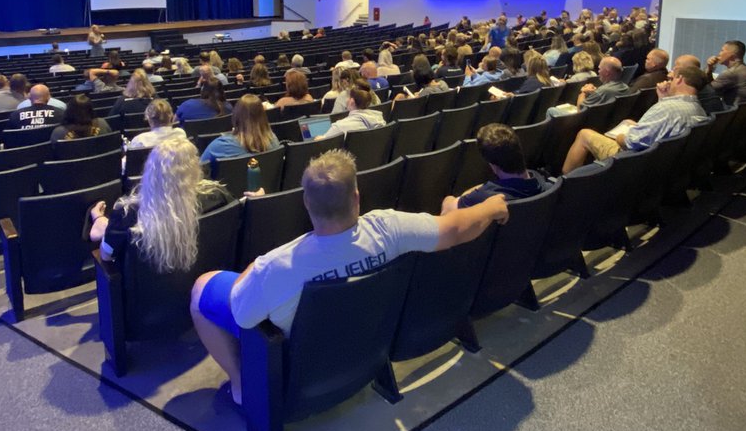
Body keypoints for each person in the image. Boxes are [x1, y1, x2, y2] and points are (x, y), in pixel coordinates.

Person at [189, 149, 509, 404]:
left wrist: (255, 266)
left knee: (202, 286)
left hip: (305, 368)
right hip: (362, 349)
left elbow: (243, 316)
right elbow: (453, 228)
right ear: (357, 197)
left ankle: (241, 386)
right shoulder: (389, 228)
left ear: (306, 202)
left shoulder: (276, 266)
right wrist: (491, 207)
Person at [90, 135, 233, 270]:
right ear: (195, 168)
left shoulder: (127, 213)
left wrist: (105, 223)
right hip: (203, 279)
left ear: (150, 170)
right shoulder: (218, 196)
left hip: (146, 293)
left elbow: (106, 256)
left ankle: (101, 223)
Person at [562, 65, 708, 173]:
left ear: (680, 79)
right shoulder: (698, 108)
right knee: (628, 122)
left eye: (671, 78)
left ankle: (568, 181)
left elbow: (630, 142)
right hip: (666, 160)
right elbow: (666, 124)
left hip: (636, 160)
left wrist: (619, 137)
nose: (668, 81)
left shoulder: (667, 108)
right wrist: (662, 99)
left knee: (584, 134)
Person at [442, 124, 548, 212]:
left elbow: (448, 209)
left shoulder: (484, 196)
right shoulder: (541, 182)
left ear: (493, 165)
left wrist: (450, 198)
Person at [199, 94, 281, 166]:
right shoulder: (273, 140)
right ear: (264, 117)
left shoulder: (219, 146)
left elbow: (198, 171)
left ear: (235, 117)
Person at [704, 40, 746, 106]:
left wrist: (708, 68)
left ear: (732, 54)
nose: (719, 54)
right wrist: (710, 68)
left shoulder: (732, 73)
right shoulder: (745, 69)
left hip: (735, 114)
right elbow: (713, 89)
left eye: (722, 50)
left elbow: (706, 92)